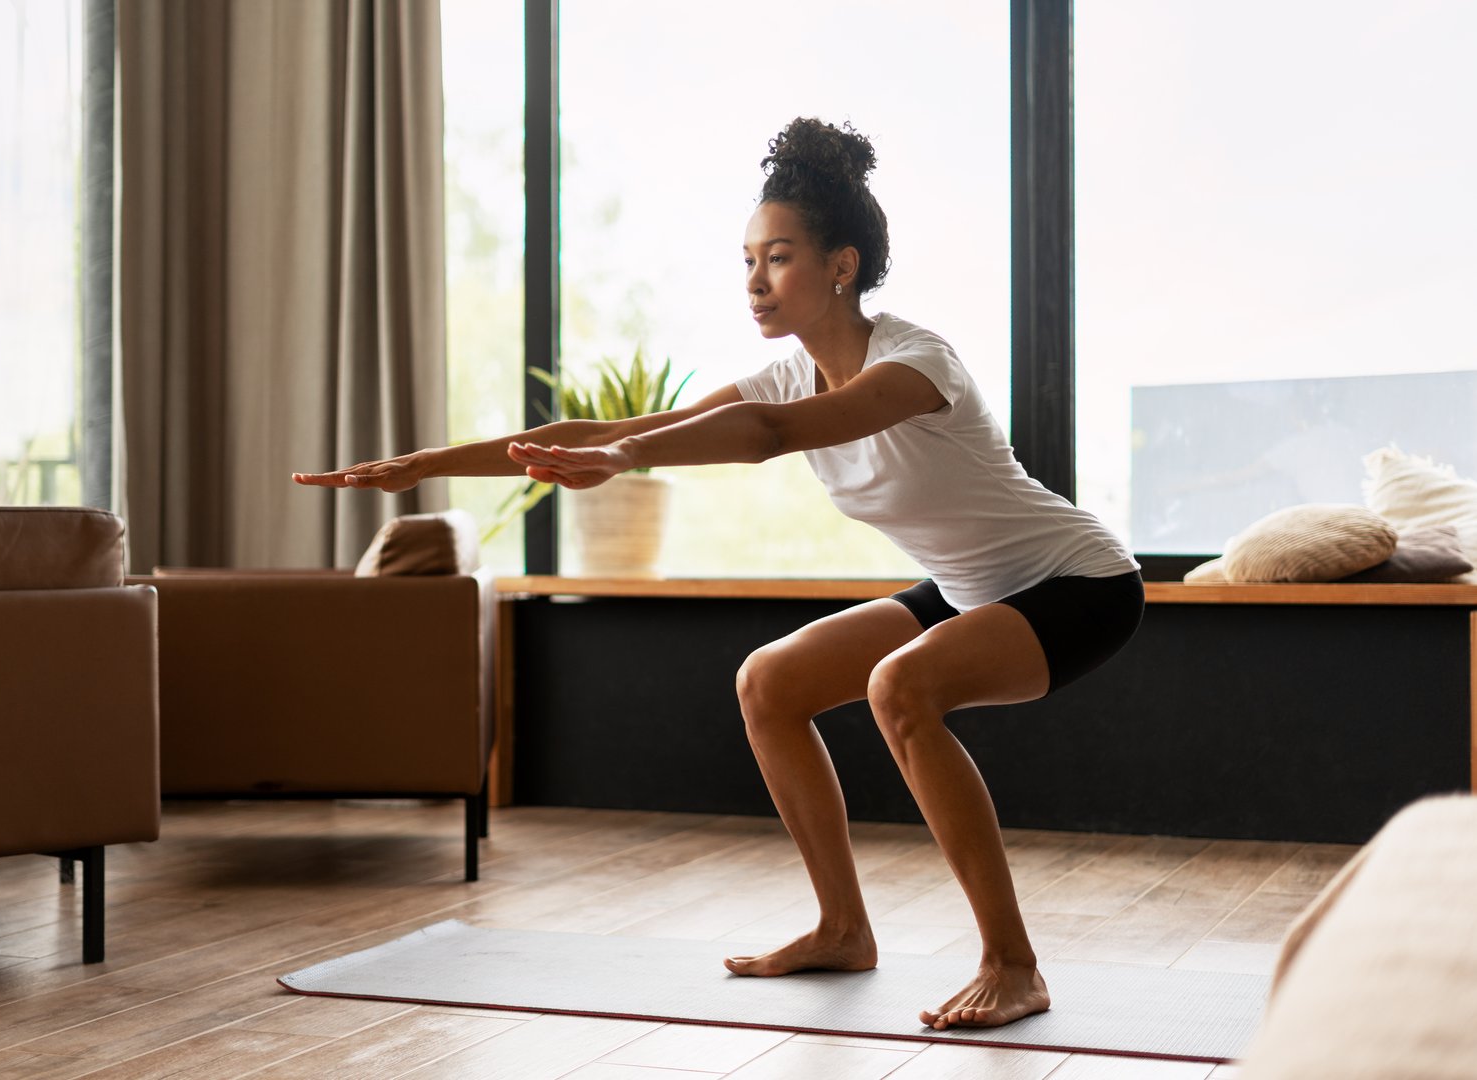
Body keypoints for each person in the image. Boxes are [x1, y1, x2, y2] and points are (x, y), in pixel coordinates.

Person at [294, 116, 1143, 1031]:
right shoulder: (785, 377)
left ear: (842, 265)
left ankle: (1013, 964)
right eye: (747, 260)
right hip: (968, 584)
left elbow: (763, 440)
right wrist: (429, 462)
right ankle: (842, 928)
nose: (755, 281)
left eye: (778, 258)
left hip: (1077, 584)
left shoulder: (914, 362)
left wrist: (627, 455)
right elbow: (606, 434)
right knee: (770, 681)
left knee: (901, 687)